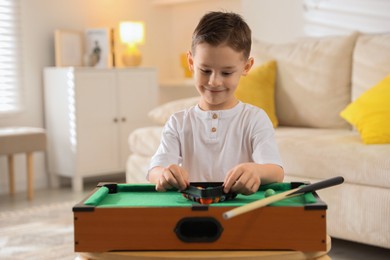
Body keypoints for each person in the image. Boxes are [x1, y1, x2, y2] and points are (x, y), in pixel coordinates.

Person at [148, 11, 284, 195]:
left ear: (246, 67)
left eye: (226, 73)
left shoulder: (254, 119)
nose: (214, 81)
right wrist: (163, 174)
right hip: (192, 212)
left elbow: (276, 171)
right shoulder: (178, 122)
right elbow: (154, 170)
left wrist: (256, 171)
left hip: (240, 213)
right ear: (191, 62)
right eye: (205, 70)